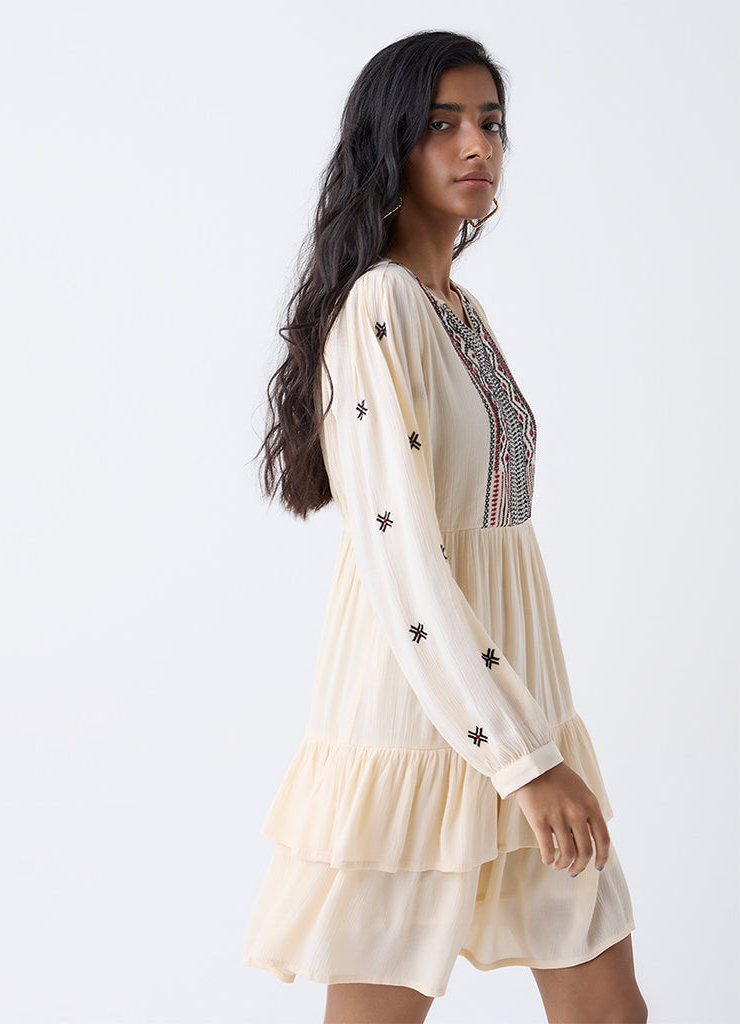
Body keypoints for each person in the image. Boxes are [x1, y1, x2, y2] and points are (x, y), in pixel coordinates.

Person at [242, 29, 648, 1024]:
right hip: (421, 723)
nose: (477, 146)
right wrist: (524, 759)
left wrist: (535, 740)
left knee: (609, 1009)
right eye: (443, 124)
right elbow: (404, 563)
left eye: (491, 124)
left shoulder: (456, 308)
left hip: (520, 701)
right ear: (391, 145)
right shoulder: (381, 304)